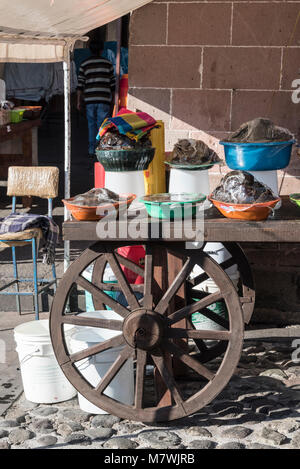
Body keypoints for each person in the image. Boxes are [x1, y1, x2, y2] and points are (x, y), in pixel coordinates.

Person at [77, 39, 116, 158]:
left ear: (90, 50)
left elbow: (80, 86)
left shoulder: (84, 64)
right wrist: (113, 101)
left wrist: (78, 102)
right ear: (101, 50)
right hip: (103, 100)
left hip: (89, 100)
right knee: (102, 125)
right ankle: (100, 148)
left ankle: (91, 150)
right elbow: (113, 85)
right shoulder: (108, 64)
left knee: (91, 125)